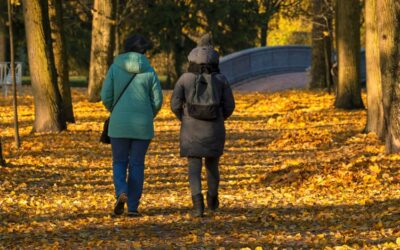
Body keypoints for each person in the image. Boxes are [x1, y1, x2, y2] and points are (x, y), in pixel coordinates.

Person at [170, 34, 235, 217]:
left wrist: (184, 118)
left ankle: (198, 206)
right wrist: (220, 117)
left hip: (191, 128)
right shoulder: (221, 79)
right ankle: (213, 200)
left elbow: (175, 104)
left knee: (194, 167)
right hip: (214, 127)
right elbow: (230, 106)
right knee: (212, 165)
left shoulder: (184, 79)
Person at [101, 34, 163, 217]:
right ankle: (133, 207)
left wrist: (115, 109)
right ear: (144, 51)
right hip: (142, 125)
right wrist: (148, 114)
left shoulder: (114, 68)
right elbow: (158, 100)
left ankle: (121, 191)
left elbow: (105, 95)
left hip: (119, 124)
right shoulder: (149, 70)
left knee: (119, 161)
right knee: (137, 164)